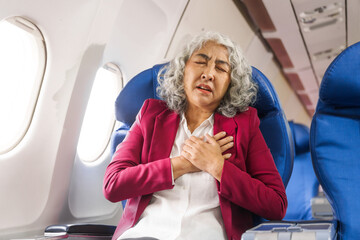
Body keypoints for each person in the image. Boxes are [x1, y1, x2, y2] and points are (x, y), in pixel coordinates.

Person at [103, 31, 287, 240]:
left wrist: (217, 167)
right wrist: (182, 164)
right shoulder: (150, 115)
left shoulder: (245, 125)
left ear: (230, 83)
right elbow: (112, 185)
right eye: (201, 62)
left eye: (220, 68)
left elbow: (276, 205)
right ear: (183, 70)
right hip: (145, 234)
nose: (209, 74)